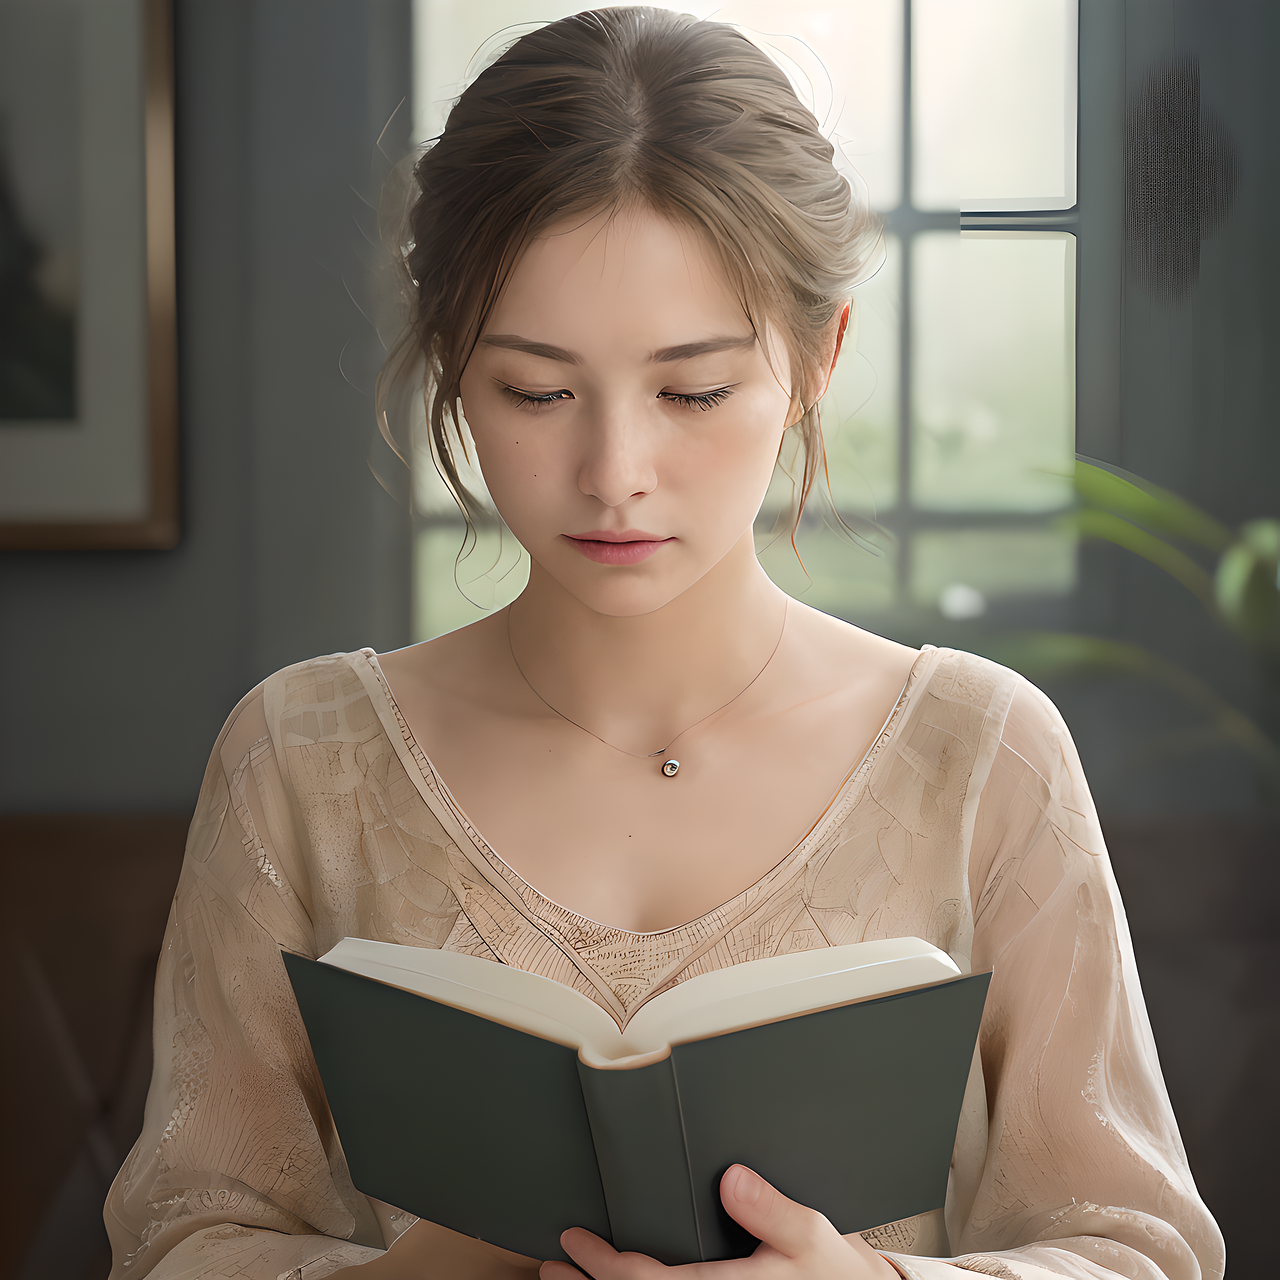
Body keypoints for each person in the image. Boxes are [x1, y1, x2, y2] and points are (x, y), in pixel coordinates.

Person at [104, 8, 1224, 1280]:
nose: (614, 473)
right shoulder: (298, 760)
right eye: (535, 390)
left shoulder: (983, 754)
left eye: (692, 390)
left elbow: (1137, 1248)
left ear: (815, 360)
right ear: (449, 372)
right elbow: (179, 1242)